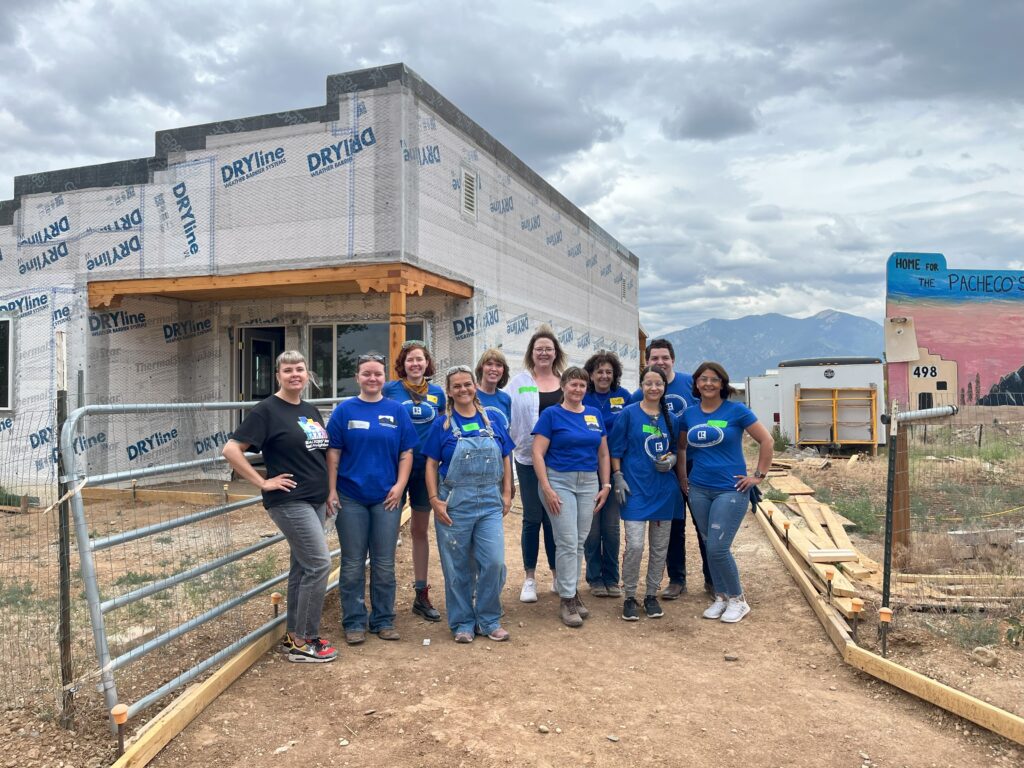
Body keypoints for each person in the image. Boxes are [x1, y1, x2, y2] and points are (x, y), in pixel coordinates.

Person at [222, 350, 337, 663]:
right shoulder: (267, 410)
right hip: (289, 500)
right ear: (278, 376)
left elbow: (319, 454)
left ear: (307, 373)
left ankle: (294, 635)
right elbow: (231, 449)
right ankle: (306, 639)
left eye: (300, 369)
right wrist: (262, 482)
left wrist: (329, 492)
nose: (295, 374)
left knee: (302, 567)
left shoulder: (310, 409)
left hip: (314, 498)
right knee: (319, 564)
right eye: (288, 370)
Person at [327, 352, 419, 644]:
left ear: (385, 378)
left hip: (386, 498)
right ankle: (354, 621)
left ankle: (383, 619)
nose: (372, 378)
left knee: (384, 562)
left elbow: (407, 452)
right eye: (366, 374)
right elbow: (333, 454)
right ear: (357, 378)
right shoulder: (344, 411)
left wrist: (400, 485)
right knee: (353, 562)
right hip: (350, 497)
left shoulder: (397, 411)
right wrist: (331, 490)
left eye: (377, 374)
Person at [424, 365, 514, 643]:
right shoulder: (442, 425)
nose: (463, 390)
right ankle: (463, 621)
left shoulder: (493, 422)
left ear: (474, 387)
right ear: (449, 392)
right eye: (457, 386)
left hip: (489, 500)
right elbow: (430, 464)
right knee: (457, 566)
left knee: (494, 562)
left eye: (467, 384)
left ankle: (488, 618)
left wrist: (507, 492)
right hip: (454, 501)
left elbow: (506, 457)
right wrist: (434, 500)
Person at [680, 361, 773, 624]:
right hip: (699, 488)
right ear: (696, 384)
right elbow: (682, 449)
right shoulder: (689, 414)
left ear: (722, 383)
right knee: (710, 544)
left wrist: (758, 476)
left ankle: (738, 599)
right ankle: (720, 597)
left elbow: (767, 440)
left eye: (713, 379)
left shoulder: (737, 411)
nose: (708, 383)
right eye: (702, 379)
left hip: (730, 489)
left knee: (719, 548)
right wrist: (683, 477)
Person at [631, 338, 711, 600]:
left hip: (695, 464)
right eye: (654, 358)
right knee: (673, 524)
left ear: (673, 360)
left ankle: (712, 579)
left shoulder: (690, 383)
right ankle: (677, 580)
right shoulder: (642, 390)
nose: (660, 362)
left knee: (703, 525)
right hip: (664, 467)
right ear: (648, 361)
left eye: (664, 357)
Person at [532, 366, 611, 627]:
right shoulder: (551, 415)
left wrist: (606, 484)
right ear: (563, 386)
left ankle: (572, 592)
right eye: (573, 384)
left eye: (582, 386)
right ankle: (567, 599)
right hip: (559, 480)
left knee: (579, 542)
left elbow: (602, 453)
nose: (578, 390)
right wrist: (546, 487)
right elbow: (537, 453)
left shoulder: (594, 414)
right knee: (566, 541)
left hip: (588, 481)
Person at [609, 365, 684, 621]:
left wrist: (672, 460)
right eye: (649, 383)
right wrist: (617, 476)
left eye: (659, 384)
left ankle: (650, 595)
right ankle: (629, 596)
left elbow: (676, 448)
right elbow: (615, 448)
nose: (654, 388)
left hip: (663, 491)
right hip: (635, 490)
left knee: (659, 548)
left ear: (665, 387)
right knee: (636, 546)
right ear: (641, 386)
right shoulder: (628, 414)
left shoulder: (670, 418)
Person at [382, 340, 446, 622]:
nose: (415, 364)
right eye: (410, 360)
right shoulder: (390, 390)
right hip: (393, 468)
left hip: (425, 469)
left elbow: (444, 427)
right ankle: (383, 598)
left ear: (427, 363)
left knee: (420, 531)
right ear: (402, 365)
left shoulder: (438, 393)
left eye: (420, 359)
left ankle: (421, 594)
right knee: (386, 532)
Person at [506, 325, 564, 602]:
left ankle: (556, 574)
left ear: (556, 354)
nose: (543, 352)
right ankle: (529, 578)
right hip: (528, 459)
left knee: (555, 517)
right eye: (539, 348)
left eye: (548, 349)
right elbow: (508, 413)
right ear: (532, 353)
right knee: (532, 517)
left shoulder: (564, 381)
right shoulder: (519, 381)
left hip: (559, 462)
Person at [581, 350, 631, 597]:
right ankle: (594, 578)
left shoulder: (624, 397)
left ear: (615, 375)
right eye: (599, 371)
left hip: (616, 469)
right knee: (592, 528)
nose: (603, 375)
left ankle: (612, 578)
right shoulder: (583, 397)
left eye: (608, 372)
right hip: (588, 468)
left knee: (611, 527)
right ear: (590, 374)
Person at [474, 348, 513, 432]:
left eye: (498, 365)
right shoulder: (470, 395)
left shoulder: (506, 399)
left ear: (503, 370)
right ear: (482, 367)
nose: (494, 369)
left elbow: (506, 432)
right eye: (489, 364)